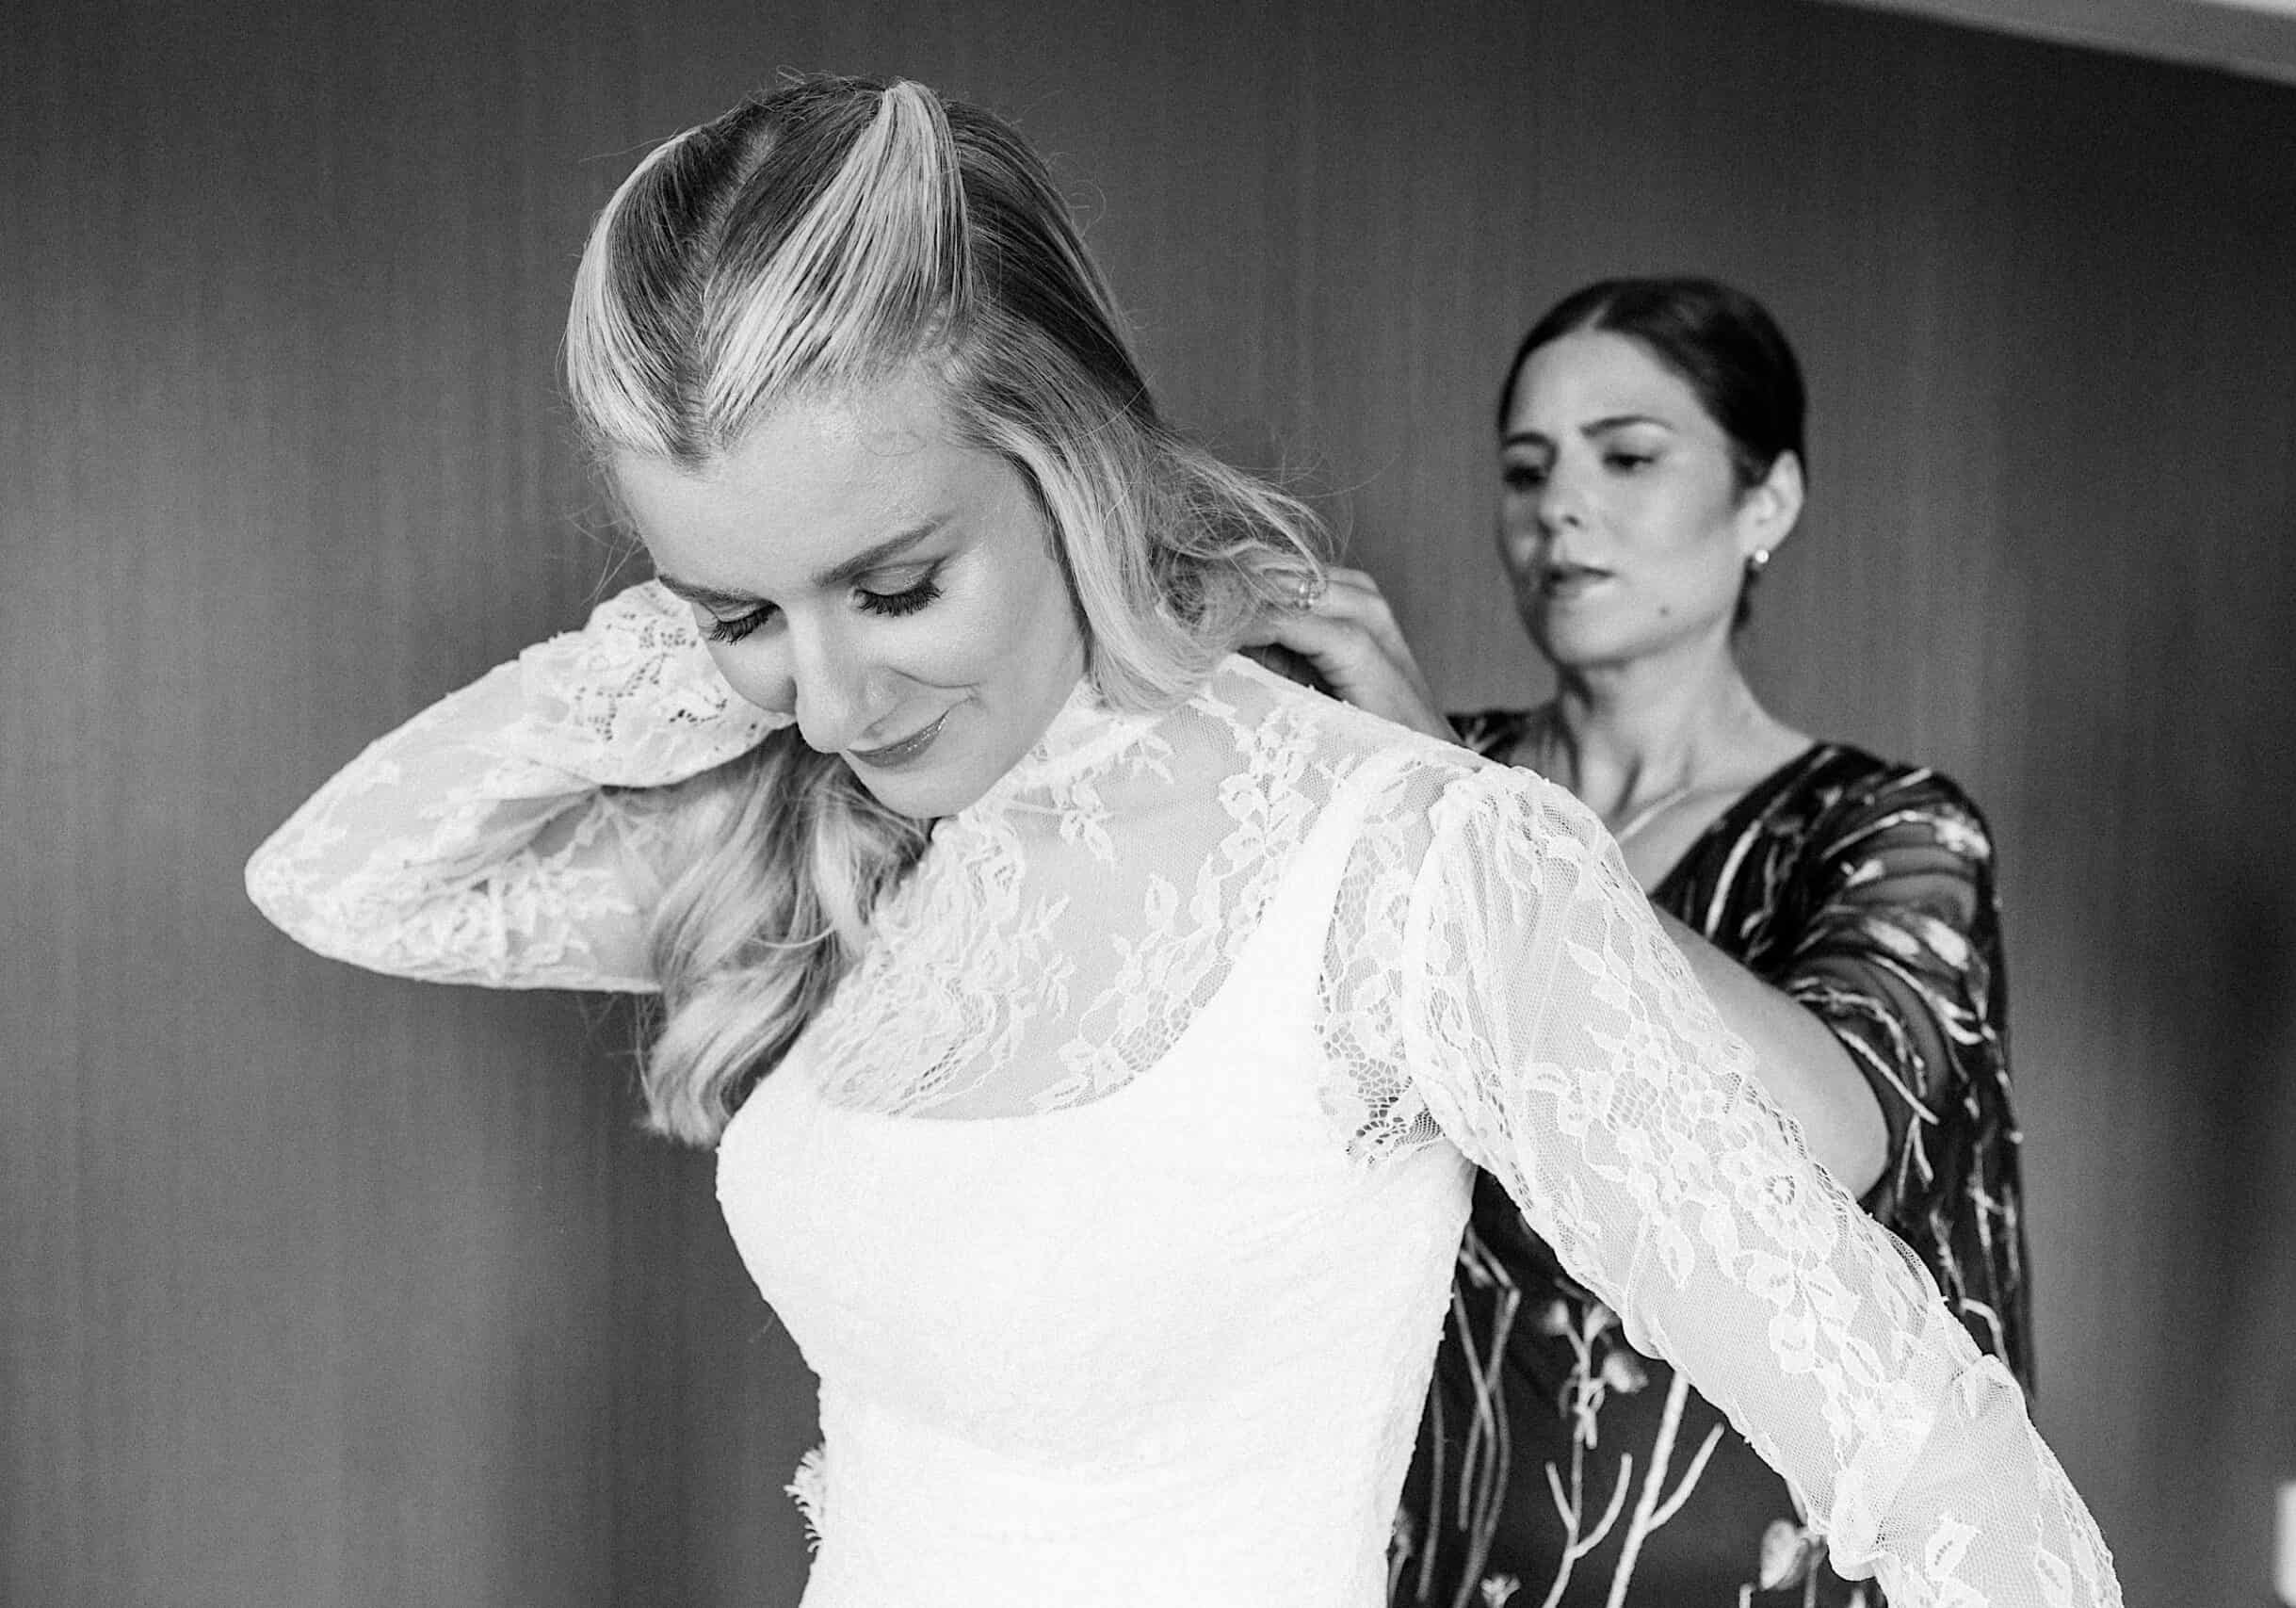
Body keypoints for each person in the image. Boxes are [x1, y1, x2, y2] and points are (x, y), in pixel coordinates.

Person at [243, 77, 2115, 1608]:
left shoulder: (1413, 866)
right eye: (736, 608)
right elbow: (340, 881)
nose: (824, 702)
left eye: (891, 584)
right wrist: (629, 676)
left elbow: (1931, 1451)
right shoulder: (850, 831)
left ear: (1065, 460)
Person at [1254, 278, 2029, 1608]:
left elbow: (1823, 1146)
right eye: (1526, 468)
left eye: (1628, 457)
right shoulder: (1415, 768)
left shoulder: (1886, 831)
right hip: (1426, 1542)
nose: (1562, 506)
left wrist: (1451, 789)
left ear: (1767, 501)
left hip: (1747, 1569)